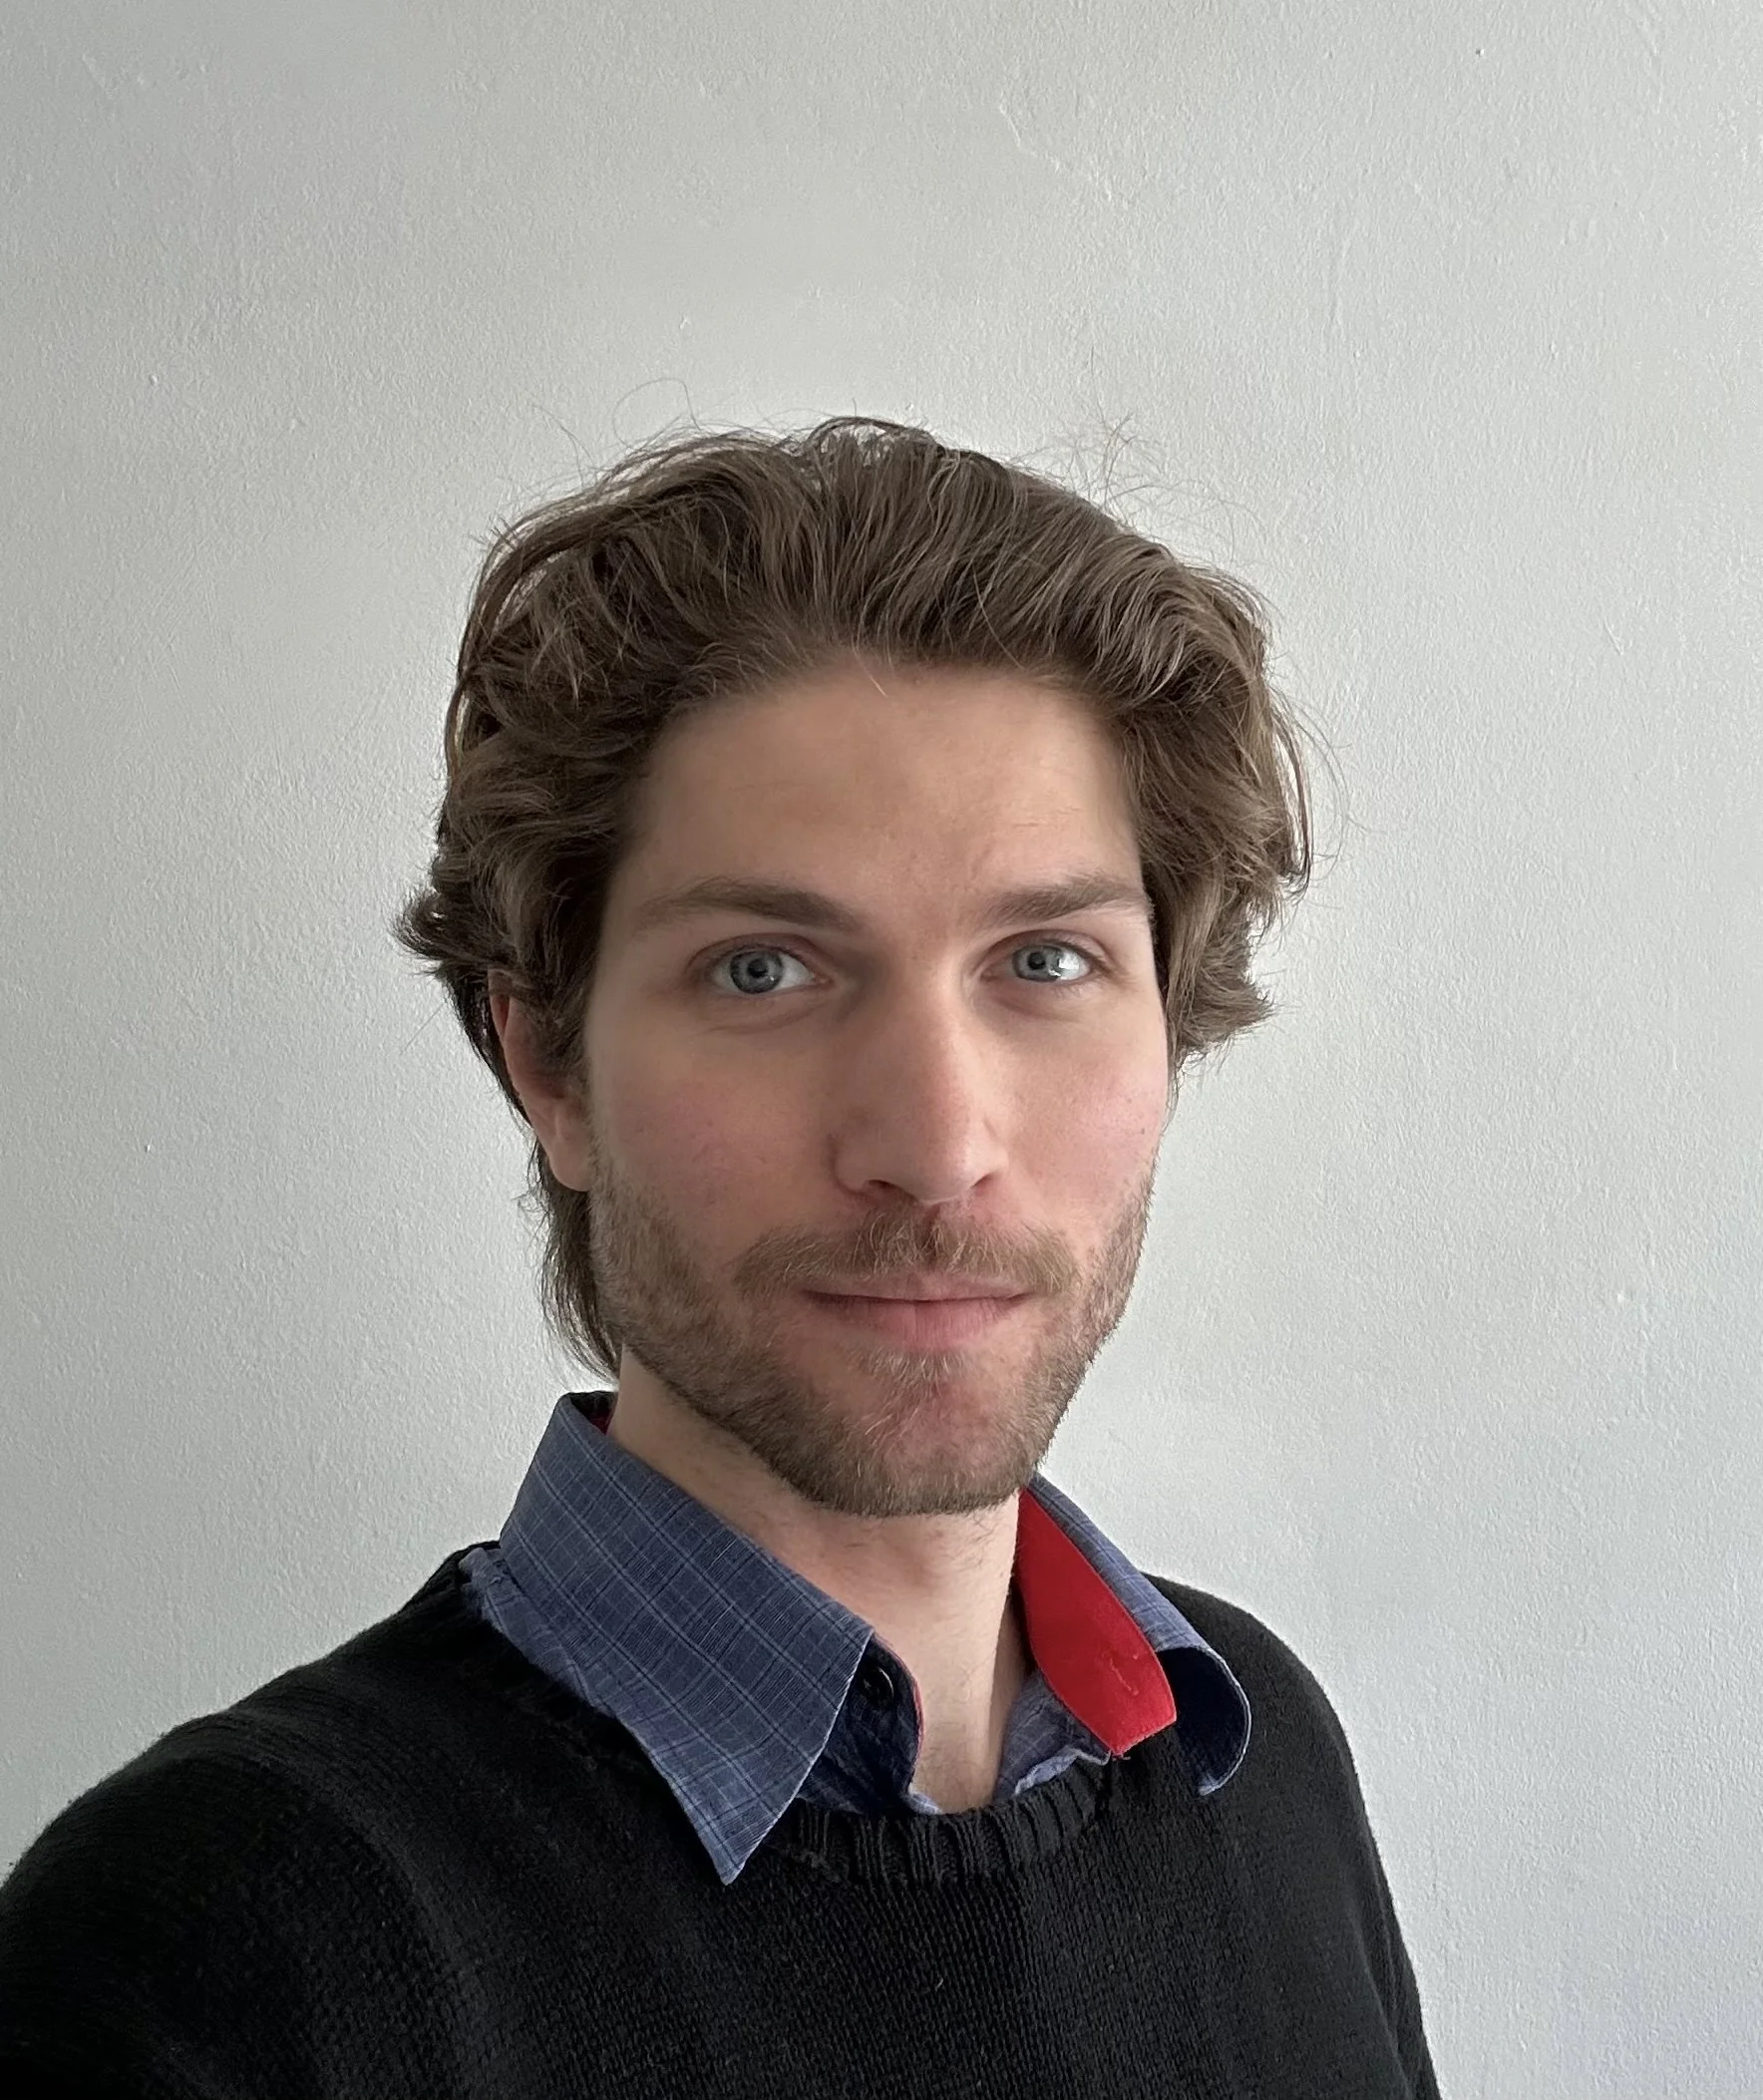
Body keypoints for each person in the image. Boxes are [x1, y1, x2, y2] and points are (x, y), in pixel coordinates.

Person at [0, 417, 1440, 2097]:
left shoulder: (1255, 1755)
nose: (935, 1139)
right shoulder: (205, 1956)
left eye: (1047, 959)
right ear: (549, 1063)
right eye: (766, 969)